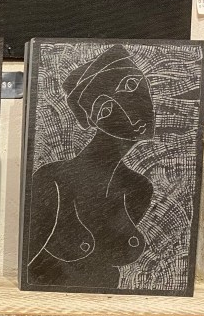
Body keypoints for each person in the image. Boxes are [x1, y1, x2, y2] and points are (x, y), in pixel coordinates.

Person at [25, 45, 155, 289]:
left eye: (132, 85)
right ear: (95, 120)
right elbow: (28, 262)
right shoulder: (53, 181)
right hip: (48, 305)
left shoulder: (139, 188)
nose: (129, 114)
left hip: (109, 307)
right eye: (105, 109)